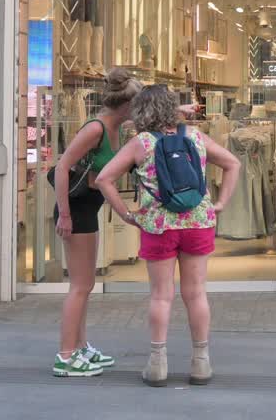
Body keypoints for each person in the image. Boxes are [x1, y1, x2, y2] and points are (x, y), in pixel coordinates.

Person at [94, 85, 241, 387]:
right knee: (196, 293)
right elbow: (232, 163)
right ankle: (201, 362)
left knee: (161, 296)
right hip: (198, 221)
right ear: (172, 107)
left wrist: (126, 214)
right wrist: (221, 203)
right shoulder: (195, 137)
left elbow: (104, 179)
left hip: (158, 224)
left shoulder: (141, 143)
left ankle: (157, 363)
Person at [51, 67, 142, 377]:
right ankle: (65, 355)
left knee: (86, 285)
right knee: (80, 286)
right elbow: (62, 167)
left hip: (87, 210)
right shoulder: (96, 129)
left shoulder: (115, 129)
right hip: (75, 211)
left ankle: (79, 347)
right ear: (126, 105)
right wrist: (64, 214)